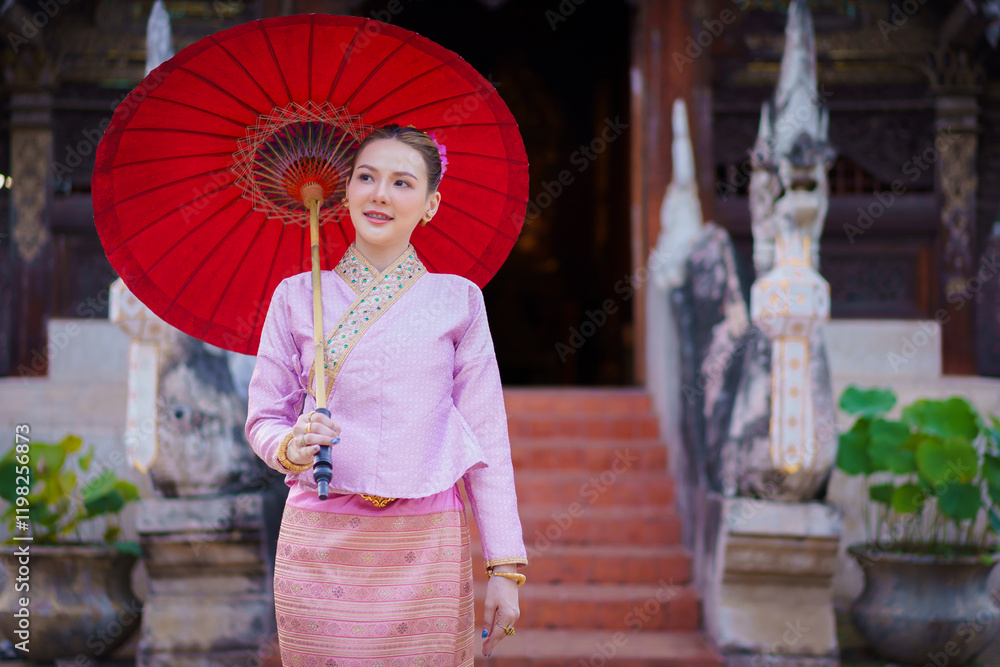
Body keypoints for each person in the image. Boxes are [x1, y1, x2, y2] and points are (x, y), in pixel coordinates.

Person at [245, 124, 527, 665]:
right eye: (366, 177)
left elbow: (487, 436)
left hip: (425, 543)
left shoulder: (458, 300)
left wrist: (504, 567)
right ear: (344, 191)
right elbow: (264, 418)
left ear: (430, 203)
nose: (379, 194)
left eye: (402, 182)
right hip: (321, 537)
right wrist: (292, 444)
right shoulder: (298, 296)